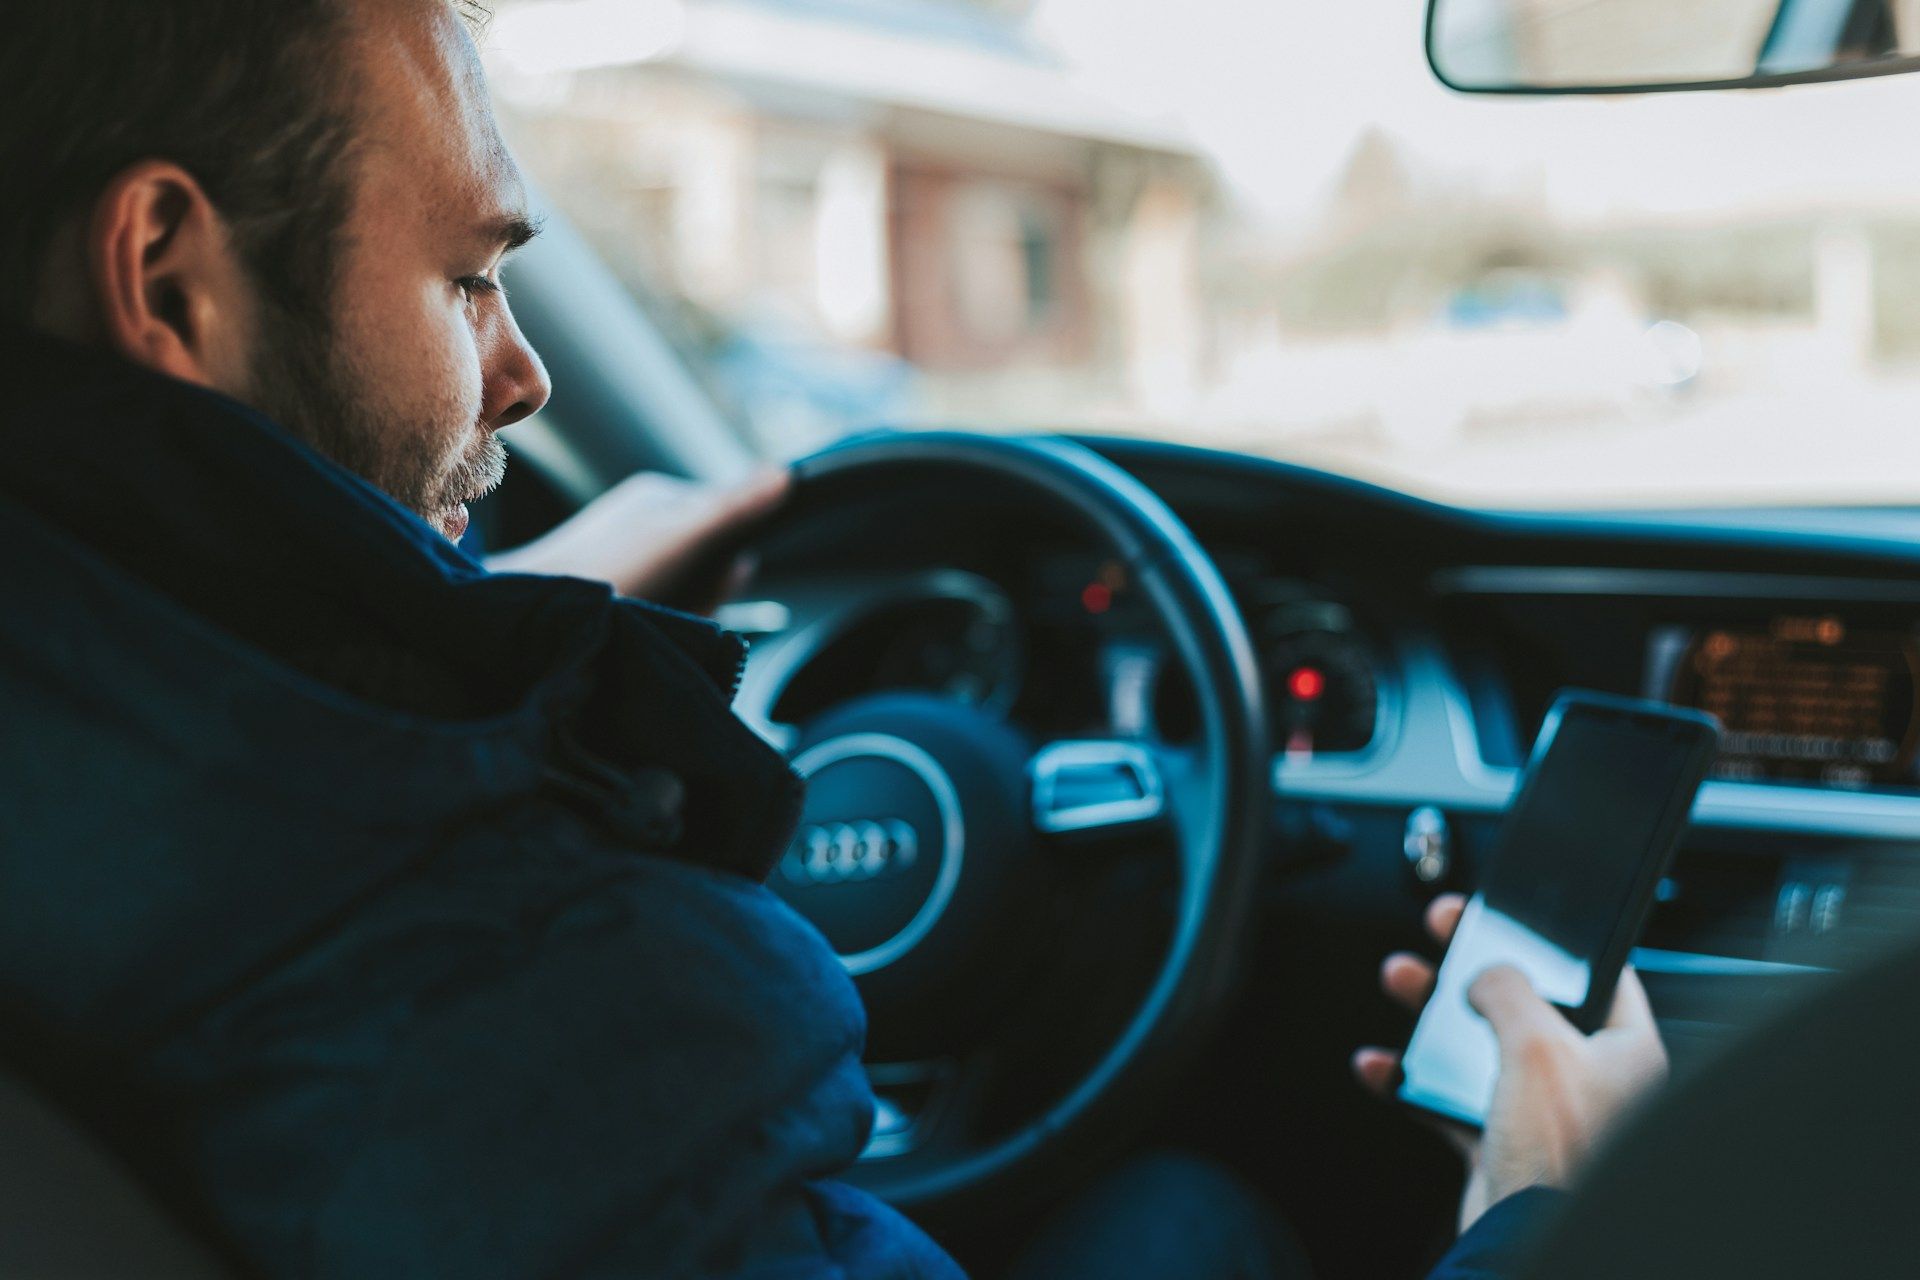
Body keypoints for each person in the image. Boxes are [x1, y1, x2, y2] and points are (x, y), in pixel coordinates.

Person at [0, 0, 1656, 1276]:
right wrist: (1557, 1216)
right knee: (1195, 1218)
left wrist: (500, 643)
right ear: (170, 281)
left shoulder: (131, 780)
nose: (524, 377)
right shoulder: (499, 993)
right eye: (466, 283)